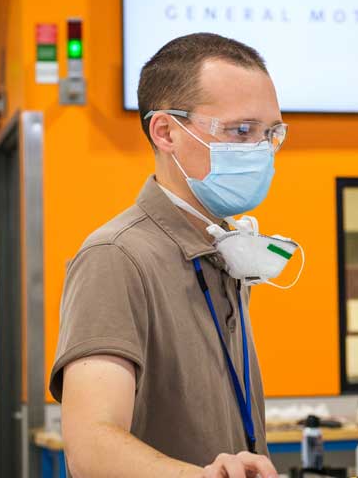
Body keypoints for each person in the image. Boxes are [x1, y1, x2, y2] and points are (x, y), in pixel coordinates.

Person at [49, 33, 290, 478]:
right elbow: (90, 446)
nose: (260, 149)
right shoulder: (117, 257)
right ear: (165, 132)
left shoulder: (223, 252)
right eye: (241, 131)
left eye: (270, 132)